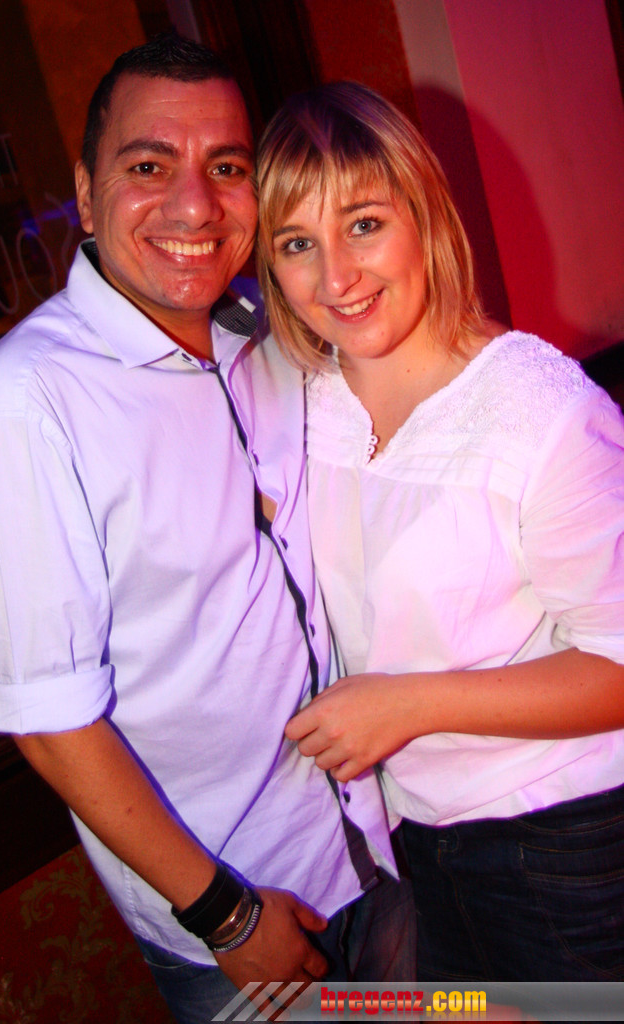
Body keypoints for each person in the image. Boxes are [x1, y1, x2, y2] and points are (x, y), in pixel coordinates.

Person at [0, 44, 414, 1024]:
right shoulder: (29, 405)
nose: (195, 206)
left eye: (226, 166)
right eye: (149, 165)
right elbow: (50, 721)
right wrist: (227, 918)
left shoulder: (265, 332)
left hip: (378, 840)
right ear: (85, 193)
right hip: (246, 913)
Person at [256, 80, 624, 982]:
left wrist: (408, 705)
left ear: (423, 216)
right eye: (298, 243)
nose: (336, 277)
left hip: (566, 846)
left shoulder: (542, 413)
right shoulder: (297, 403)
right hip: (415, 848)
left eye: (364, 225)